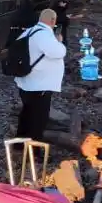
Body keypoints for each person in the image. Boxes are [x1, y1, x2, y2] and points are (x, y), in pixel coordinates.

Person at [14, 9, 67, 143]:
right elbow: (59, 52)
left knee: (26, 115)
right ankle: (35, 150)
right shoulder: (44, 35)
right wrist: (59, 41)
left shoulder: (29, 31)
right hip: (39, 85)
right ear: (52, 21)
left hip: (26, 81)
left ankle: (20, 145)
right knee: (39, 119)